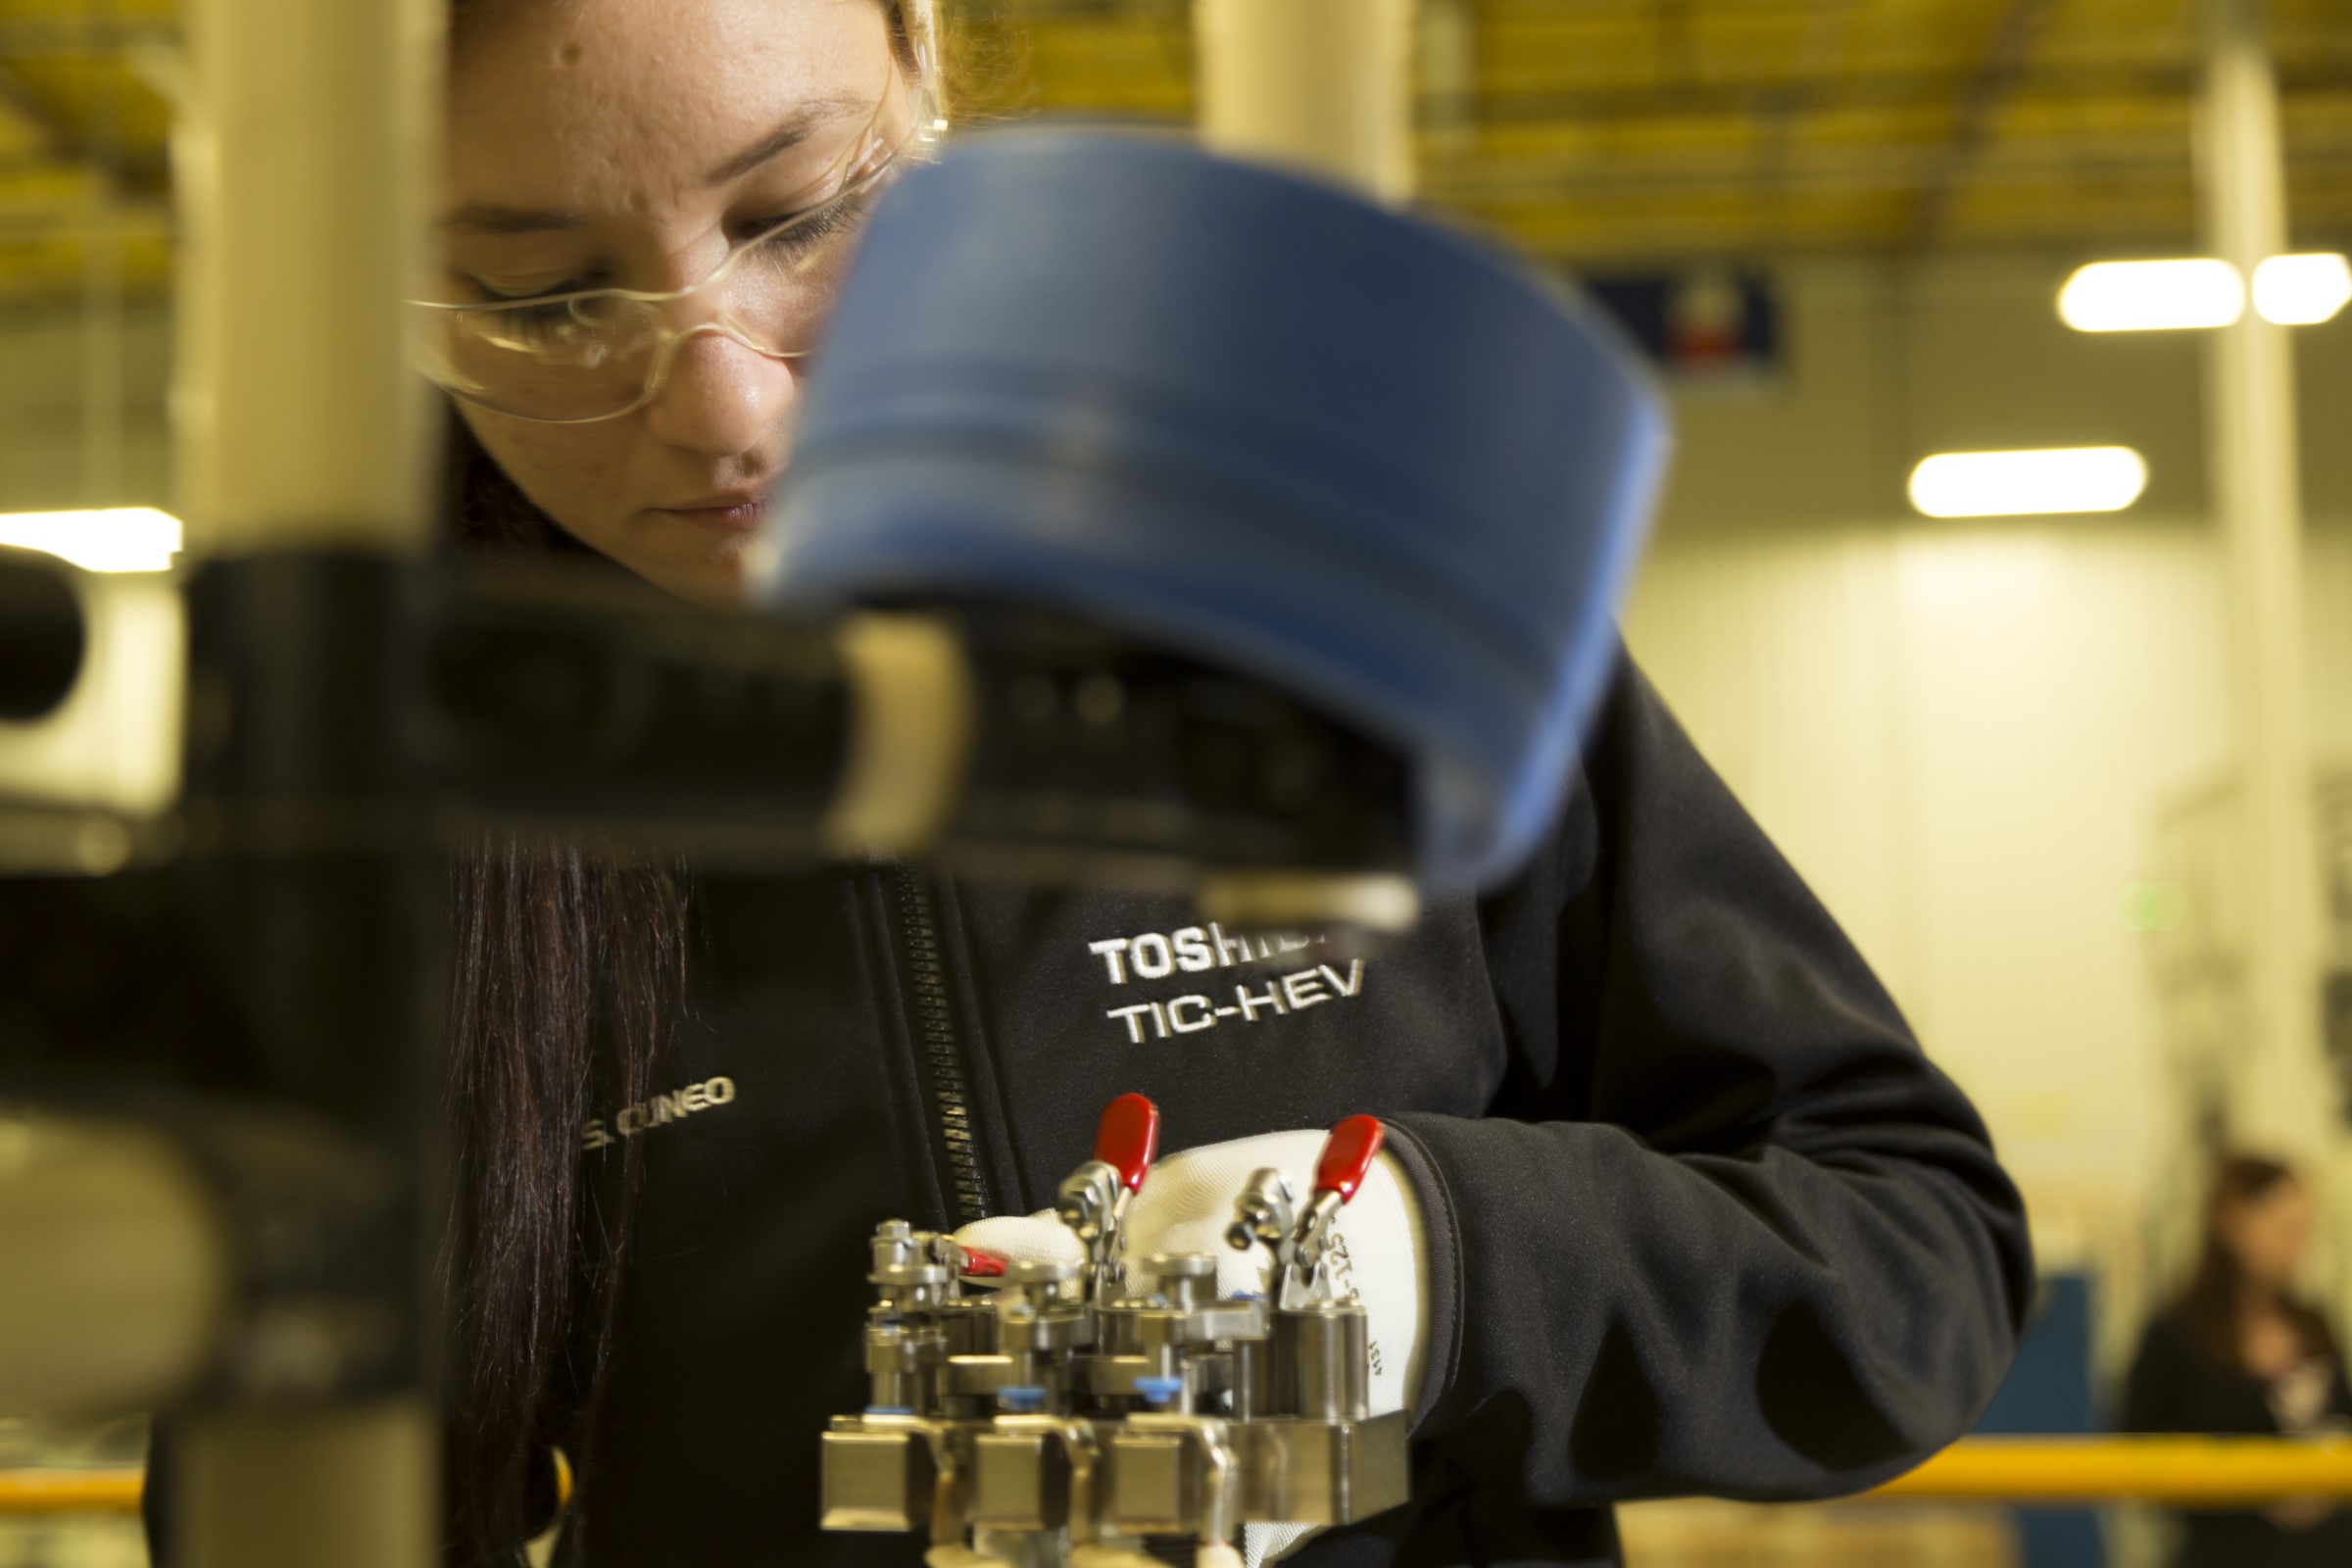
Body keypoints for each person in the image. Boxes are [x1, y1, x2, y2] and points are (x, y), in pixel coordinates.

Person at [156, 2, 2034, 1564]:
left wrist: (1432, 1269)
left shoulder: (1340, 581)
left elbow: (1906, 1252)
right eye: (548, 300)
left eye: (801, 213)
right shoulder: (392, 764)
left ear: (926, 67)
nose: (721, 406)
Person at [2123, 1154, 2352, 1566]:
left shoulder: (2314, 1323)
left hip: (2330, 1549)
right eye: (2283, 1228)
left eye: (2303, 1230)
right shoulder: (2178, 1336)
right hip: (2228, 1551)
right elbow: (2133, 1445)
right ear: (2232, 1222)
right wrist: (2252, 1491)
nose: (2297, 1246)